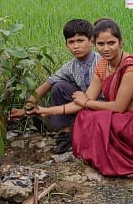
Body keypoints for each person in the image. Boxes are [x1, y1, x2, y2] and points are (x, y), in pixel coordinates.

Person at [33, 18, 133, 178]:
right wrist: (47, 111)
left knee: (98, 118)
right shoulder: (103, 65)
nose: (106, 49)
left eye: (111, 43)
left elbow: (118, 107)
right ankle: (110, 156)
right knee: (85, 115)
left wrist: (87, 102)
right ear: (94, 43)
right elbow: (83, 102)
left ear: (120, 42)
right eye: (101, 44)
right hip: (128, 118)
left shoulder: (130, 69)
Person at [21, 19, 99, 155]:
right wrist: (28, 105)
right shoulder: (71, 66)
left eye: (80, 41)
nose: (76, 46)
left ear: (91, 41)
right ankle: (65, 133)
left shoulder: (101, 61)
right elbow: (48, 83)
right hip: (84, 101)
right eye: (71, 42)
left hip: (103, 103)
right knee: (58, 86)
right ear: (66, 45)